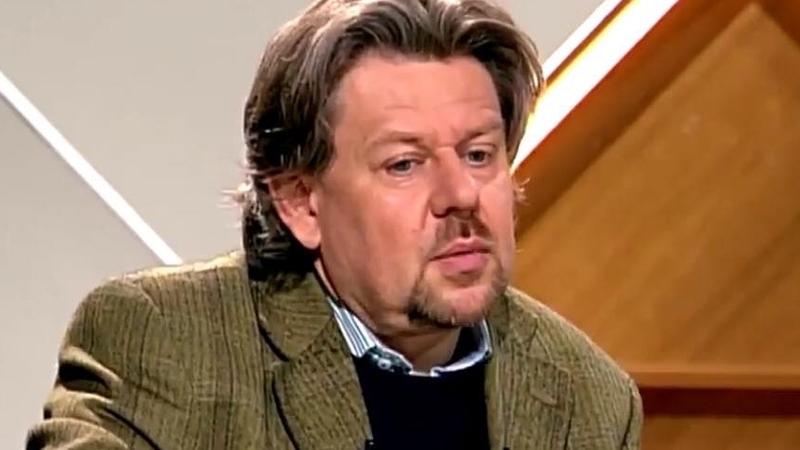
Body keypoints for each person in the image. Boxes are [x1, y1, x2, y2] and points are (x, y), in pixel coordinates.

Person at [27, 0, 642, 449]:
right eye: (404, 164)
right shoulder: (167, 343)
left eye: (479, 155)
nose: (461, 195)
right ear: (301, 202)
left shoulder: (587, 399)